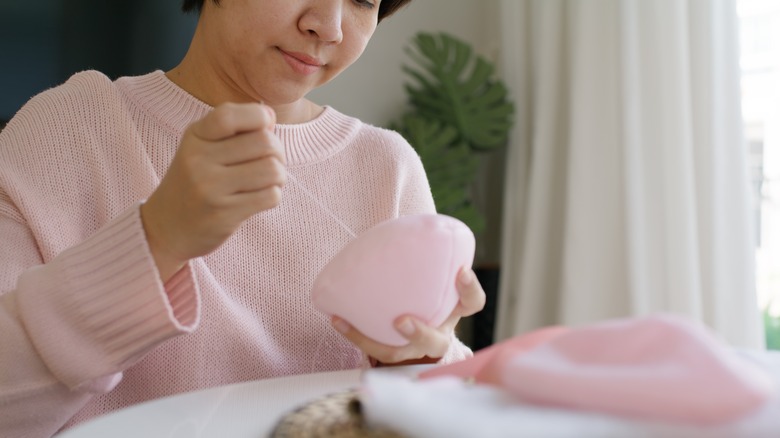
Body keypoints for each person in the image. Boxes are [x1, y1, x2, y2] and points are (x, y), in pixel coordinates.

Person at [0, 0, 486, 436]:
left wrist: (418, 362)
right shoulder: (68, 131)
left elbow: (447, 407)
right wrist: (157, 238)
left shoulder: (386, 168)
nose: (329, 26)